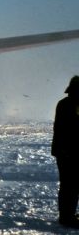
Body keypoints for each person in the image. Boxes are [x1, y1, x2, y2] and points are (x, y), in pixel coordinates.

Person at [52, 75, 79, 229]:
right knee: (71, 186)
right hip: (69, 153)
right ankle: (67, 217)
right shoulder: (70, 105)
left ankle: (67, 215)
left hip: (65, 152)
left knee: (69, 185)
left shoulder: (64, 103)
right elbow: (69, 130)